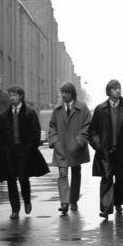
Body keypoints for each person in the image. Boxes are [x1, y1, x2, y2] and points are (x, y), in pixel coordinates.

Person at [0, 85, 50, 219]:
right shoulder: (4, 116)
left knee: (23, 178)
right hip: (9, 153)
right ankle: (15, 210)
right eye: (10, 95)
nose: (11, 97)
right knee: (11, 180)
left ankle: (27, 200)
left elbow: (35, 133)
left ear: (21, 97)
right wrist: (3, 150)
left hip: (24, 152)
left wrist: (29, 148)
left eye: (14, 95)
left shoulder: (30, 113)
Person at [89, 79, 123, 220]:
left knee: (120, 178)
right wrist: (98, 146)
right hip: (105, 151)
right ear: (108, 91)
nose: (118, 90)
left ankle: (118, 203)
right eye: (114, 88)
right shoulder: (100, 109)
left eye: (119, 87)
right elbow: (92, 131)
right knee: (106, 178)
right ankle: (106, 208)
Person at [49, 82, 92, 215]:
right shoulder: (57, 109)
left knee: (76, 173)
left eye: (66, 93)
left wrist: (79, 141)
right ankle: (64, 202)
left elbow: (89, 126)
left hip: (76, 147)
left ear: (72, 94)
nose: (63, 95)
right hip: (61, 147)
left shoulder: (82, 108)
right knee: (62, 175)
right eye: (62, 92)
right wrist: (55, 141)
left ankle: (73, 201)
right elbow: (52, 126)